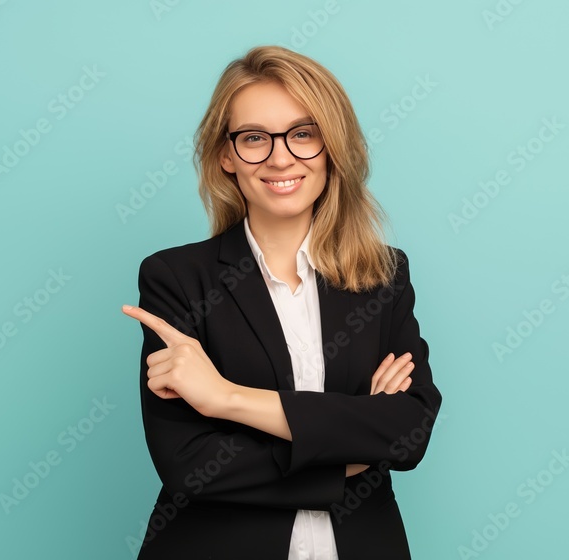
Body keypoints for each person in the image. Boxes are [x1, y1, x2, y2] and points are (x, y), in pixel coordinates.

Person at [120, 45, 442, 559]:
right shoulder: (176, 278)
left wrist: (226, 398)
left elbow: (407, 434)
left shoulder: (385, 274)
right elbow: (189, 464)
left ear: (331, 145)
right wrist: (351, 448)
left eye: (303, 133)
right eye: (253, 138)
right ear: (226, 155)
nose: (280, 157)